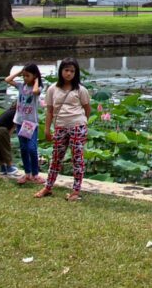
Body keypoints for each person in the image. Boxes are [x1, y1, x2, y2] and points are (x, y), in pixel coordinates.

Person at [36, 58, 91, 201]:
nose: (69, 73)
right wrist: (47, 130)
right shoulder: (52, 89)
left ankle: (76, 191)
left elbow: (87, 108)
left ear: (76, 73)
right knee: (56, 158)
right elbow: (49, 111)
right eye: (66, 70)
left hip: (77, 126)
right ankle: (48, 187)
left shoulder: (81, 90)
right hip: (60, 127)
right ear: (61, 71)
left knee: (77, 159)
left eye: (72, 71)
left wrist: (82, 123)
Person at [5, 63, 44, 185]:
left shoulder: (38, 88)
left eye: (27, 76)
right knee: (23, 149)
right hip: (20, 122)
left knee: (32, 148)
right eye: (24, 76)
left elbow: (36, 91)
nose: (25, 78)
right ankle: (27, 173)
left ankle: (35, 174)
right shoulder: (21, 86)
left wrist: (37, 80)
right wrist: (20, 72)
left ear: (34, 76)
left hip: (31, 123)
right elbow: (7, 80)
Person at [0, 104, 20, 176]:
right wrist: (8, 138)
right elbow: (13, 127)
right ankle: (10, 167)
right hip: (1, 130)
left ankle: (2, 167)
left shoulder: (8, 112)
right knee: (5, 149)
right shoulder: (17, 113)